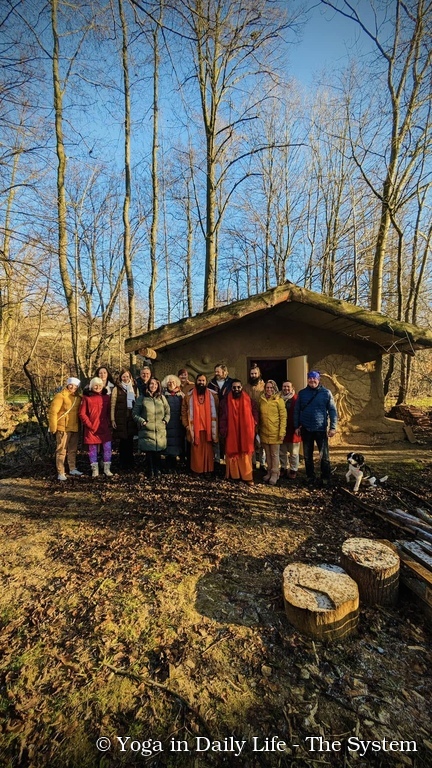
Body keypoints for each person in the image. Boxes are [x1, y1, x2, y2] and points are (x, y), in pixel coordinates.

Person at [294, 370, 337, 487]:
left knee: (324, 456)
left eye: (315, 379)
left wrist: (333, 427)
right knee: (308, 456)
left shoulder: (326, 393)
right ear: (307, 379)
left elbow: (332, 410)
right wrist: (296, 426)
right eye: (310, 379)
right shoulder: (302, 393)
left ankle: (325, 478)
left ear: (318, 380)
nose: (312, 381)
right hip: (306, 429)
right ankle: (310, 477)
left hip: (321, 429)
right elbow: (297, 410)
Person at [219, 379, 258, 485]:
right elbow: (222, 417)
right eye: (234, 387)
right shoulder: (225, 401)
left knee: (245, 453)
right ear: (231, 388)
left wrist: (254, 422)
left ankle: (247, 476)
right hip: (231, 431)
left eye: (238, 387)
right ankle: (234, 475)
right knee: (232, 451)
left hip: (245, 431)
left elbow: (254, 412)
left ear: (241, 388)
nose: (236, 389)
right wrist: (223, 430)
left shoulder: (249, 400)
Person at [181, 373, 218, 476]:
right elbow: (183, 412)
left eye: (203, 381)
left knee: (208, 452)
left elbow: (218, 411)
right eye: (199, 381)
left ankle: (208, 470)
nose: (201, 383)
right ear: (196, 382)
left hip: (209, 429)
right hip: (194, 428)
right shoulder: (189, 396)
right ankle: (197, 470)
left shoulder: (213, 395)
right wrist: (186, 425)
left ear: (206, 382)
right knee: (196, 452)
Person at [133, 377, 170, 478]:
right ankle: (150, 470)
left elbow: (168, 412)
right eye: (151, 384)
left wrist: (165, 421)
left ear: (158, 386)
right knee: (149, 452)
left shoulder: (162, 398)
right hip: (147, 429)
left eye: (155, 384)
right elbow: (135, 413)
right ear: (148, 385)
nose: (153, 386)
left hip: (159, 429)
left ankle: (157, 470)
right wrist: (142, 421)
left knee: (158, 452)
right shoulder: (142, 398)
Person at [48, 376, 83, 481]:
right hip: (63, 427)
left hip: (74, 427)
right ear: (67, 384)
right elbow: (53, 412)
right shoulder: (60, 396)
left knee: (72, 450)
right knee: (61, 450)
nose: (73, 387)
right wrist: (53, 427)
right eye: (71, 385)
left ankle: (72, 468)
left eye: (75, 386)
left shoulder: (78, 397)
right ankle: (61, 472)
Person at [79, 377, 113, 477]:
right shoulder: (86, 398)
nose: (98, 387)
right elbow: (82, 414)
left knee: (107, 448)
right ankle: (95, 469)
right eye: (95, 385)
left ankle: (107, 468)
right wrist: (89, 425)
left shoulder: (106, 397)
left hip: (104, 427)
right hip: (91, 428)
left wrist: (108, 423)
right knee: (92, 449)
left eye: (100, 385)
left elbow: (108, 411)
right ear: (91, 386)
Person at [258, 379, 287, 486]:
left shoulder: (279, 400)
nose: (269, 390)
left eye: (271, 388)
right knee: (268, 455)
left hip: (275, 432)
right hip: (264, 431)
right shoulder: (261, 400)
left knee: (274, 454)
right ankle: (269, 471)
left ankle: (275, 473)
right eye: (267, 388)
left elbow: (283, 417)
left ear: (274, 388)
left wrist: (282, 432)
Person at [111, 368, 138, 470]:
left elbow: (138, 404)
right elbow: (113, 405)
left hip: (131, 418)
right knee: (122, 441)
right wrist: (113, 419)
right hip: (120, 418)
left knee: (130, 441)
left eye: (127, 376)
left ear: (130, 377)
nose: (125, 378)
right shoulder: (116, 389)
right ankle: (122, 463)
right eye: (123, 376)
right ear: (120, 378)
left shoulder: (135, 388)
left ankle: (130, 463)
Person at [208, 363, 234, 464]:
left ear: (224, 372)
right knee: (215, 435)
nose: (216, 373)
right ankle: (217, 459)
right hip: (214, 412)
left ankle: (228, 459)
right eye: (215, 371)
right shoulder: (211, 384)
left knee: (227, 435)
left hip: (228, 413)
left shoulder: (231, 383)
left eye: (218, 371)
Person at [162, 374, 185, 472]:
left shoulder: (181, 395)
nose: (171, 384)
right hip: (167, 423)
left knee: (176, 443)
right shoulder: (163, 396)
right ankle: (168, 465)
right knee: (168, 443)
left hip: (177, 424)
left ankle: (175, 465)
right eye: (169, 382)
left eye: (173, 382)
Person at [244, 364, 266, 468]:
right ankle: (252, 462)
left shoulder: (265, 386)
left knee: (262, 441)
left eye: (255, 373)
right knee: (251, 440)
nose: (253, 375)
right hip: (250, 417)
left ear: (259, 374)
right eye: (251, 374)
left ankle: (262, 463)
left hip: (263, 416)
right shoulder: (245, 387)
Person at [280, 380, 302, 479]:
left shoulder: (297, 399)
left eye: (288, 386)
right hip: (282, 429)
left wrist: (300, 426)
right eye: (284, 386)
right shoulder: (278, 398)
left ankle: (293, 469)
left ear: (292, 388)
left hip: (294, 429)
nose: (286, 388)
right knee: (282, 451)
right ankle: (283, 468)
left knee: (294, 452)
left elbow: (302, 413)